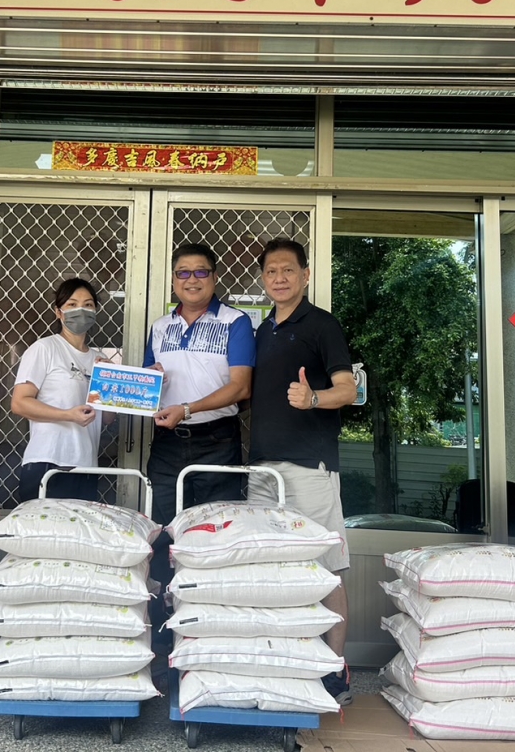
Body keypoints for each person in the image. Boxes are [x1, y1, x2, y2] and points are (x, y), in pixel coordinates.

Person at [247, 237, 357, 706]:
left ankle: (336, 668)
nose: (279, 278)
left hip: (311, 468)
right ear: (263, 279)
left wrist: (313, 399)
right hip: (262, 470)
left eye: (288, 270)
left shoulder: (322, 325)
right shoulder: (262, 331)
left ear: (305, 275)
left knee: (325, 569)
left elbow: (348, 390)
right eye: (271, 271)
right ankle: (286, 660)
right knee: (269, 567)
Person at [143, 242, 255, 526]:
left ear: (214, 277)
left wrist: (186, 409)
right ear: (173, 280)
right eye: (182, 273)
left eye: (200, 272)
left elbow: (241, 387)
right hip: (167, 442)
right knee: (164, 528)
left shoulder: (235, 321)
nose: (191, 279)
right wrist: (150, 377)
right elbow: (147, 386)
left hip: (218, 441)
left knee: (215, 530)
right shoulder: (160, 327)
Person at [11, 277, 111, 503]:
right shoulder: (45, 348)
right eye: (72, 304)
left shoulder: (100, 359)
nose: (81, 310)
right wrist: (68, 415)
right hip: (48, 462)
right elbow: (19, 403)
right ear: (59, 312)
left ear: (95, 311)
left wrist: (110, 381)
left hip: (86, 465)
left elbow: (107, 418)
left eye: (88, 305)